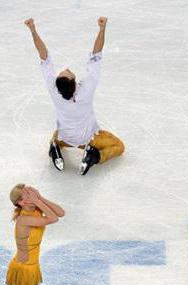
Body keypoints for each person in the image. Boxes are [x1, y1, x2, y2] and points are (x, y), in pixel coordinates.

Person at [24, 16, 125, 175]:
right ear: (74, 82)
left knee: (55, 136)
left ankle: (54, 148)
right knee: (119, 146)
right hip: (88, 139)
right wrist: (102, 29)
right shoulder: (85, 90)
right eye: (67, 72)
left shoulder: (55, 91)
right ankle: (95, 156)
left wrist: (33, 30)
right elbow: (96, 54)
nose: (66, 68)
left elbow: (44, 56)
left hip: (65, 137)